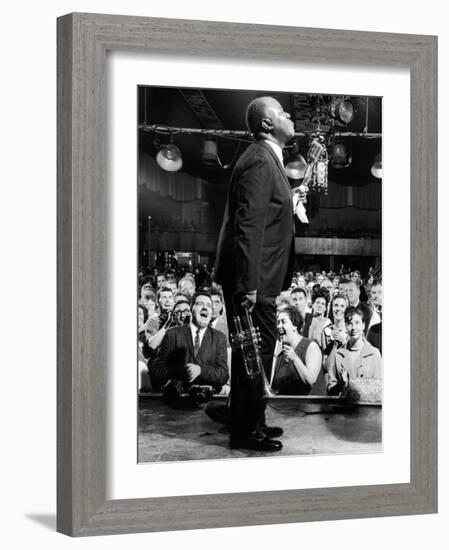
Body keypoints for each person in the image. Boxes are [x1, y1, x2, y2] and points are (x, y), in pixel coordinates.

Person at [214, 96, 299, 451]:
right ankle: (245, 431)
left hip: (259, 276)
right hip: (254, 279)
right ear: (267, 125)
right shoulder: (261, 161)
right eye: (281, 112)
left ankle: (254, 420)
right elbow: (248, 227)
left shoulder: (266, 159)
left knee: (256, 350)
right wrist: (248, 285)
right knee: (255, 352)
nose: (289, 115)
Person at [149, 291, 228, 392]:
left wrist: (200, 370)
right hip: (178, 399)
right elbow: (156, 370)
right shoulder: (172, 334)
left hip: (208, 399)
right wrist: (182, 371)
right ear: (191, 310)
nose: (205, 307)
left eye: (209, 305)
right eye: (200, 304)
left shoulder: (219, 337)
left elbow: (223, 374)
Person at [326, 306, 382, 396]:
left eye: (357, 323)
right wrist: (341, 383)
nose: (353, 328)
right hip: (344, 408)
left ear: (363, 325)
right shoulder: (339, 354)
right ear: (345, 325)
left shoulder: (374, 354)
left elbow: (379, 390)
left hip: (366, 408)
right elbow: (330, 391)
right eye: (349, 324)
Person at [271, 306, 322, 395]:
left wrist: (294, 358)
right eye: (278, 322)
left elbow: (310, 381)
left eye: (283, 322)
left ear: (295, 325)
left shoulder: (311, 347)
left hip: (310, 407)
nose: (279, 326)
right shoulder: (281, 355)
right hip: (287, 407)